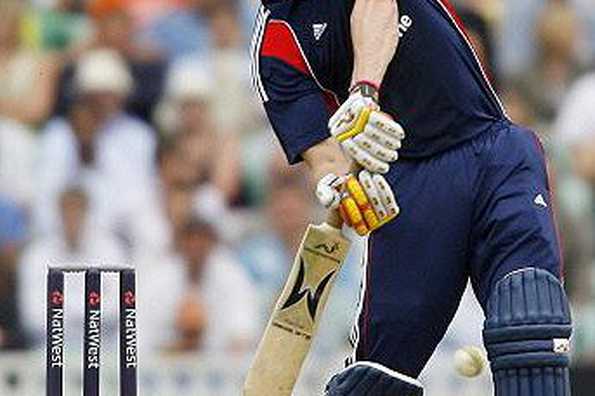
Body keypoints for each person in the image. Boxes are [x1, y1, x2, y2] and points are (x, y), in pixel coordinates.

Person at [252, 0, 572, 394]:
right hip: (408, 189)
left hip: (492, 153)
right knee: (376, 382)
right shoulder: (275, 49)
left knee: (529, 324)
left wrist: (364, 93)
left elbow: (377, 9)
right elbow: (324, 157)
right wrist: (339, 187)